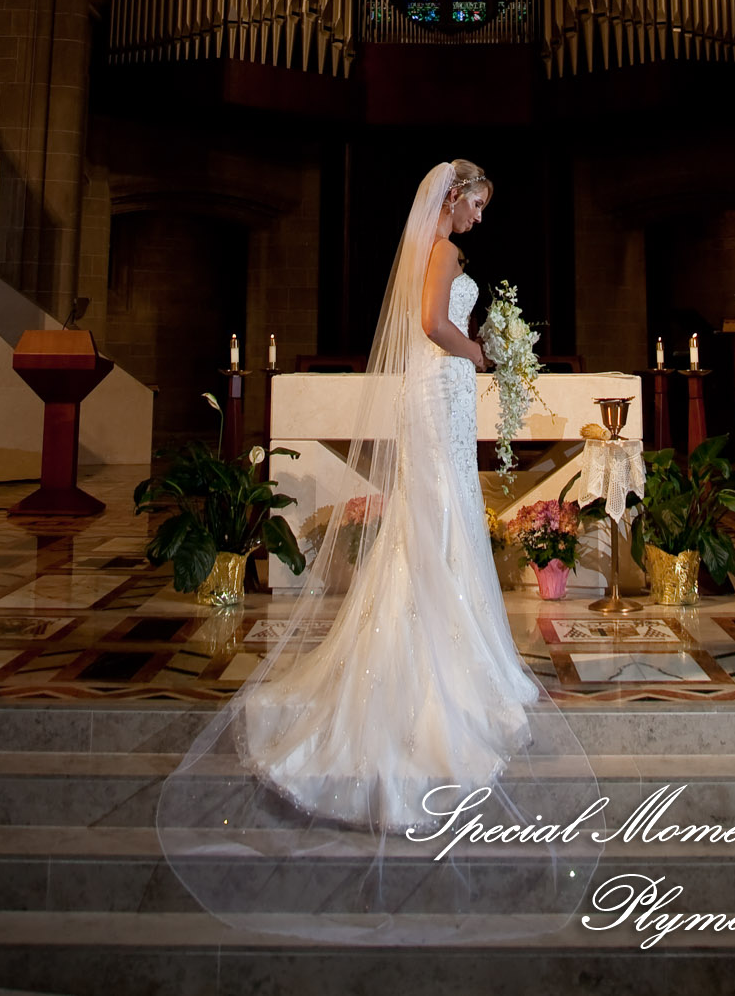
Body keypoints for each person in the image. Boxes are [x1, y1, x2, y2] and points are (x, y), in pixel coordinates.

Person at [156, 159, 603, 944]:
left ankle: (437, 634)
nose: (477, 219)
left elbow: (427, 325)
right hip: (444, 387)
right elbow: (433, 325)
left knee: (441, 523)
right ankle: (442, 658)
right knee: (442, 520)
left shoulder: (430, 248)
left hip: (437, 395)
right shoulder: (446, 254)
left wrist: (476, 351)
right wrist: (478, 352)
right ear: (455, 197)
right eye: (476, 205)